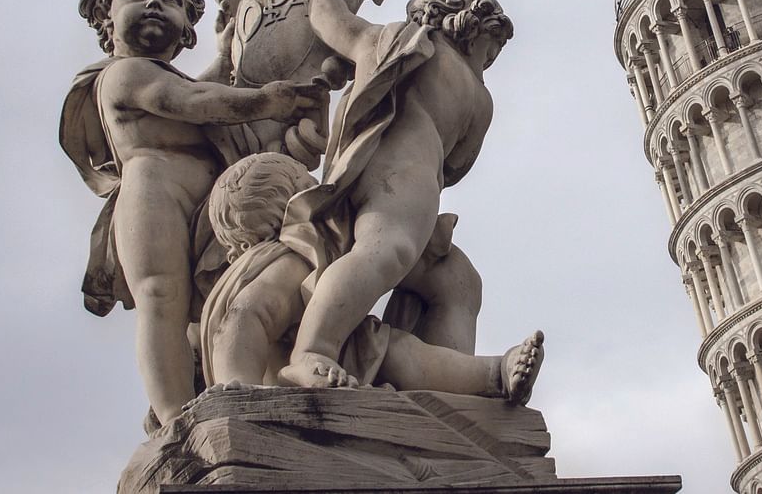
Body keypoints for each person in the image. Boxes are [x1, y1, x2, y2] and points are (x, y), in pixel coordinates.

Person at [60, 0, 327, 425]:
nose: (155, 5)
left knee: (193, 313)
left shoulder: (163, 73)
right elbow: (193, 101)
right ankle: (172, 418)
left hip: (203, 205)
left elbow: (197, 87)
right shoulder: (123, 73)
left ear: (186, 25)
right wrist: (267, 100)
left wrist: (225, 53)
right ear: (107, 15)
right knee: (162, 298)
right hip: (152, 196)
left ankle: (208, 386)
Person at [275, 0, 519, 389]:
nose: (489, 61)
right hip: (395, 172)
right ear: (464, 23)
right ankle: (314, 349)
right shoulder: (407, 43)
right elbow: (331, 22)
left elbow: (457, 163)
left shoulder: (475, 95)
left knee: (458, 282)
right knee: (386, 251)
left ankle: (450, 383)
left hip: (418, 189)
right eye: (490, 47)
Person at [200, 152, 542, 402]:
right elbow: (243, 318)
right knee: (401, 355)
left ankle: (496, 373)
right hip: (292, 375)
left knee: (403, 353)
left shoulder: (318, 249)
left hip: (350, 350)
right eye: (309, 185)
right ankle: (494, 374)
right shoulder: (287, 259)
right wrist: (237, 387)